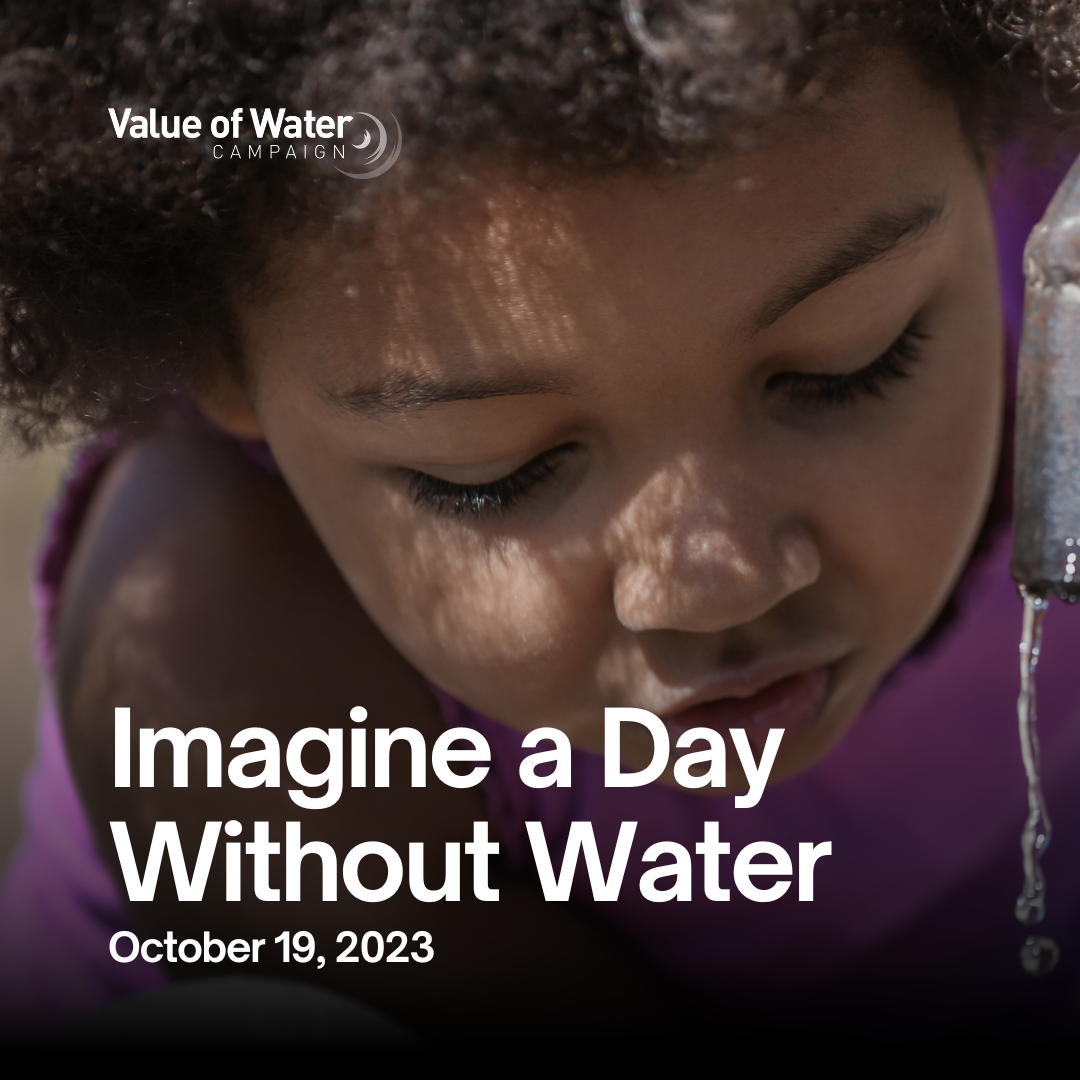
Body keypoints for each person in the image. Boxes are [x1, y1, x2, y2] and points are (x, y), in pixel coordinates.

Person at [1, 0, 1079, 1043]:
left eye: (853, 365)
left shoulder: (1051, 236)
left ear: (992, 132)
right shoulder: (214, 661)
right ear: (218, 360)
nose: (722, 578)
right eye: (497, 476)